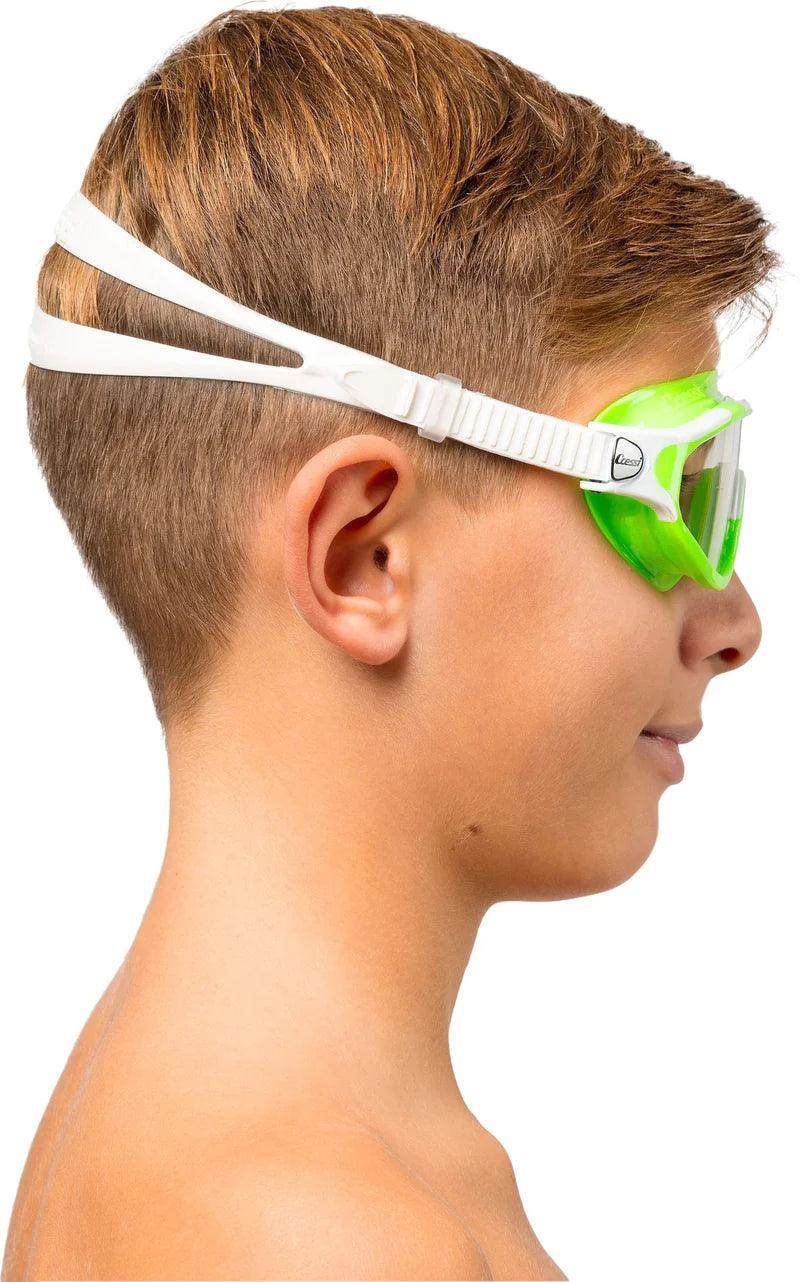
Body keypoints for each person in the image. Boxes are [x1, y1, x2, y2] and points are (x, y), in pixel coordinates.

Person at [3, 7, 778, 1280]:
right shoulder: (320, 1235)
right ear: (360, 556)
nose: (733, 622)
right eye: (673, 498)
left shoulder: (191, 1104)